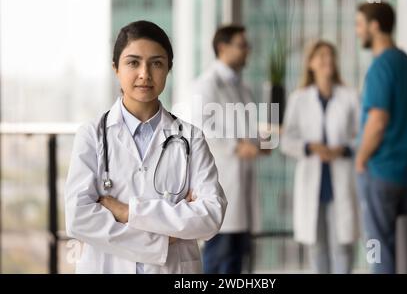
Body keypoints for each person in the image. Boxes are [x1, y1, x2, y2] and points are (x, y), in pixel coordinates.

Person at [64, 20, 227, 274]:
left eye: (157, 63)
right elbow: (79, 219)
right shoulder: (92, 135)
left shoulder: (191, 138)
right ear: (116, 68)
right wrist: (162, 239)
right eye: (133, 62)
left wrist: (128, 211)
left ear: (168, 69)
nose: (145, 74)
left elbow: (210, 216)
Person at [192, 25, 267, 274]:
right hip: (223, 181)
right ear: (223, 48)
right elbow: (202, 126)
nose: (248, 51)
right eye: (242, 45)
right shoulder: (207, 83)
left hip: (242, 184)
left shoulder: (242, 88)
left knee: (237, 260)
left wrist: (258, 143)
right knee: (219, 258)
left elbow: (246, 127)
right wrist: (237, 146)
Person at [281, 40, 360, 274]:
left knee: (343, 247)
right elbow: (286, 141)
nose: (327, 61)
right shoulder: (299, 98)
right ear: (311, 63)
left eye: (330, 56)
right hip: (312, 181)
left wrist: (342, 149)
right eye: (321, 56)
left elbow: (361, 136)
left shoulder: (350, 96)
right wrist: (310, 147)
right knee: (317, 248)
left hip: (341, 181)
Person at [355, 2, 407, 274]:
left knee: (378, 249)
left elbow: (378, 121)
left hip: (379, 169)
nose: (357, 31)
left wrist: (361, 159)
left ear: (375, 26)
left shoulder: (381, 66)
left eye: (359, 24)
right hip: (404, 170)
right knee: (400, 245)